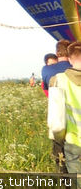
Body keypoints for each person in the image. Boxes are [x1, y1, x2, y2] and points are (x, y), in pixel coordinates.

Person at [48, 41, 81, 179]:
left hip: (72, 141)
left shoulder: (58, 80)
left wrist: (58, 139)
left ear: (69, 58)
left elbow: (56, 117)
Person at [43, 41, 72, 173]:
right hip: (75, 121)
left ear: (57, 53)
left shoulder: (47, 70)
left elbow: (45, 88)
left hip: (57, 119)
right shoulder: (74, 67)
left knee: (60, 159)